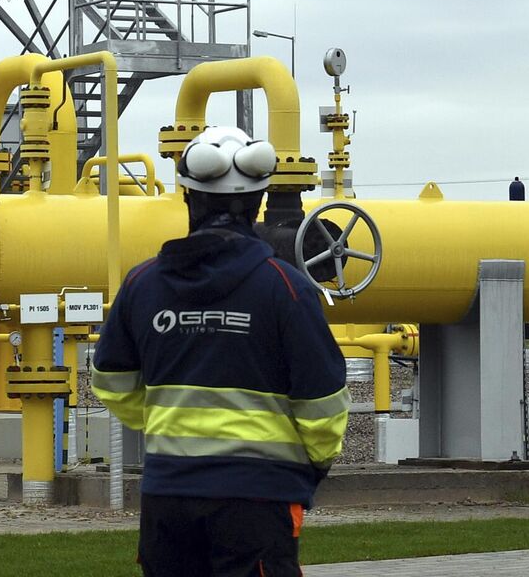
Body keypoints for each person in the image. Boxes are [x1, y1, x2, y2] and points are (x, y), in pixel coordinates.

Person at [91, 126, 347, 577]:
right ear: (257, 204)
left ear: (189, 199)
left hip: (167, 498)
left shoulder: (141, 284)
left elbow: (111, 381)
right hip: (259, 499)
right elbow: (322, 404)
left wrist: (168, 423)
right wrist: (309, 465)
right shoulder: (285, 288)